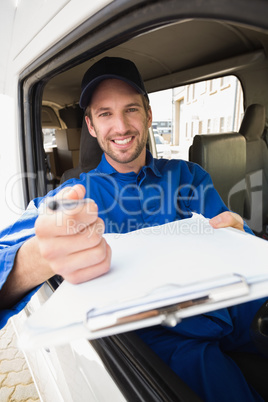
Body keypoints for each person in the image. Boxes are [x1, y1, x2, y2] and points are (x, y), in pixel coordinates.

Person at [0, 56, 266, 401]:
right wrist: (36, 259)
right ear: (91, 126)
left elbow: (230, 246)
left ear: (149, 115)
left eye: (131, 109)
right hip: (167, 347)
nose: (121, 126)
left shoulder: (189, 176)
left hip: (235, 315)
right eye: (105, 114)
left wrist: (241, 234)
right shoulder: (71, 198)